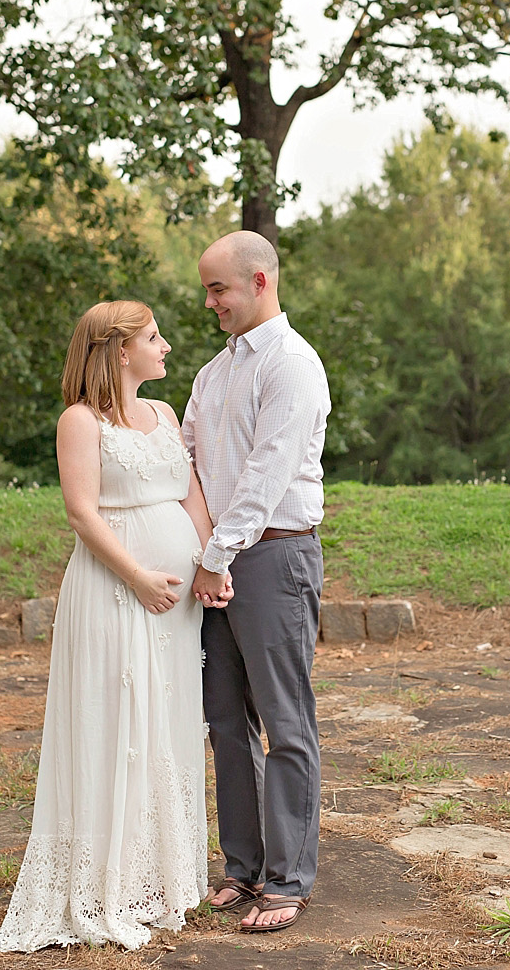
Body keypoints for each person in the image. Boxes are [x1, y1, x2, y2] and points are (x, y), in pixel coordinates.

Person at [0, 300, 228, 952]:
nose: (167, 346)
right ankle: (103, 885)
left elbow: (191, 494)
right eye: (154, 337)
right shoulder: (79, 422)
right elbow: (83, 514)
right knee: (116, 720)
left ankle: (156, 880)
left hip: (175, 608)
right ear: (121, 351)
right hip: (113, 593)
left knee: (166, 724)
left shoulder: (165, 415)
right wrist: (138, 578)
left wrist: (209, 562)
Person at [184, 230, 332, 933]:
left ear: (260, 282)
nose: (210, 302)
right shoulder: (211, 374)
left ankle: (288, 879)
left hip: (274, 558)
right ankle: (241, 867)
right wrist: (202, 553)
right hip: (216, 563)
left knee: (284, 723)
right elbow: (189, 462)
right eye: (208, 290)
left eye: (220, 289)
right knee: (225, 724)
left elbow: (267, 474)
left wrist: (219, 553)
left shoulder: (293, 365)